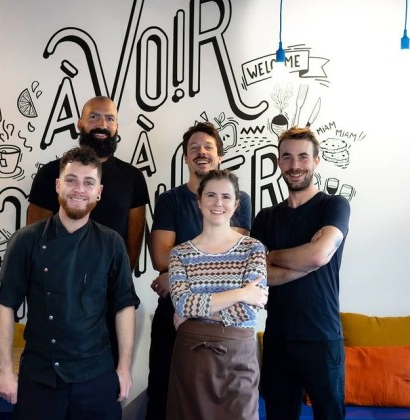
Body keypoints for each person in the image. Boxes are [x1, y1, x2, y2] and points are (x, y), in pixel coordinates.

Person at [0, 147, 140, 420]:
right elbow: (4, 305)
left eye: (88, 182)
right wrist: (6, 371)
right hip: (40, 376)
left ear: (99, 191)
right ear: (58, 185)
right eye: (71, 180)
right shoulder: (26, 240)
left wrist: (123, 368)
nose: (79, 189)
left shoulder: (112, 243)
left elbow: (124, 307)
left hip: (96, 375)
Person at [27, 95, 149, 364]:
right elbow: (35, 238)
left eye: (109, 118)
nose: (101, 124)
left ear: (117, 127)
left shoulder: (133, 178)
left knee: (105, 380)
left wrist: (116, 286)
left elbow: (133, 243)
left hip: (108, 297)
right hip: (57, 295)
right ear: (80, 123)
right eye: (94, 116)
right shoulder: (51, 174)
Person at [146, 122, 252, 420]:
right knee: (164, 394)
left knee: (219, 404)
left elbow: (235, 259)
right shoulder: (169, 200)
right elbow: (160, 257)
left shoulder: (237, 200)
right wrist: (179, 269)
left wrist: (177, 274)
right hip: (173, 315)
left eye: (208, 147)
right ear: (185, 158)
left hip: (225, 322)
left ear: (219, 156)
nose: (201, 153)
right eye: (193, 149)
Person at [250, 127, 351, 420]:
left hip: (322, 336)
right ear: (279, 162)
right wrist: (306, 258)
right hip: (278, 337)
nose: (295, 165)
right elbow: (257, 274)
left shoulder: (334, 206)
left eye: (303, 157)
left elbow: (319, 254)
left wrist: (275, 257)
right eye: (287, 157)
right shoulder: (266, 217)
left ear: (316, 161)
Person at [166, 169, 268, 420]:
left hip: (239, 358)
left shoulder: (253, 248)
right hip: (191, 359)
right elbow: (182, 303)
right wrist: (241, 292)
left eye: (226, 196)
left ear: (236, 204)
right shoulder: (180, 254)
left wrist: (195, 312)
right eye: (211, 195)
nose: (218, 203)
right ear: (199, 201)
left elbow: (248, 309)